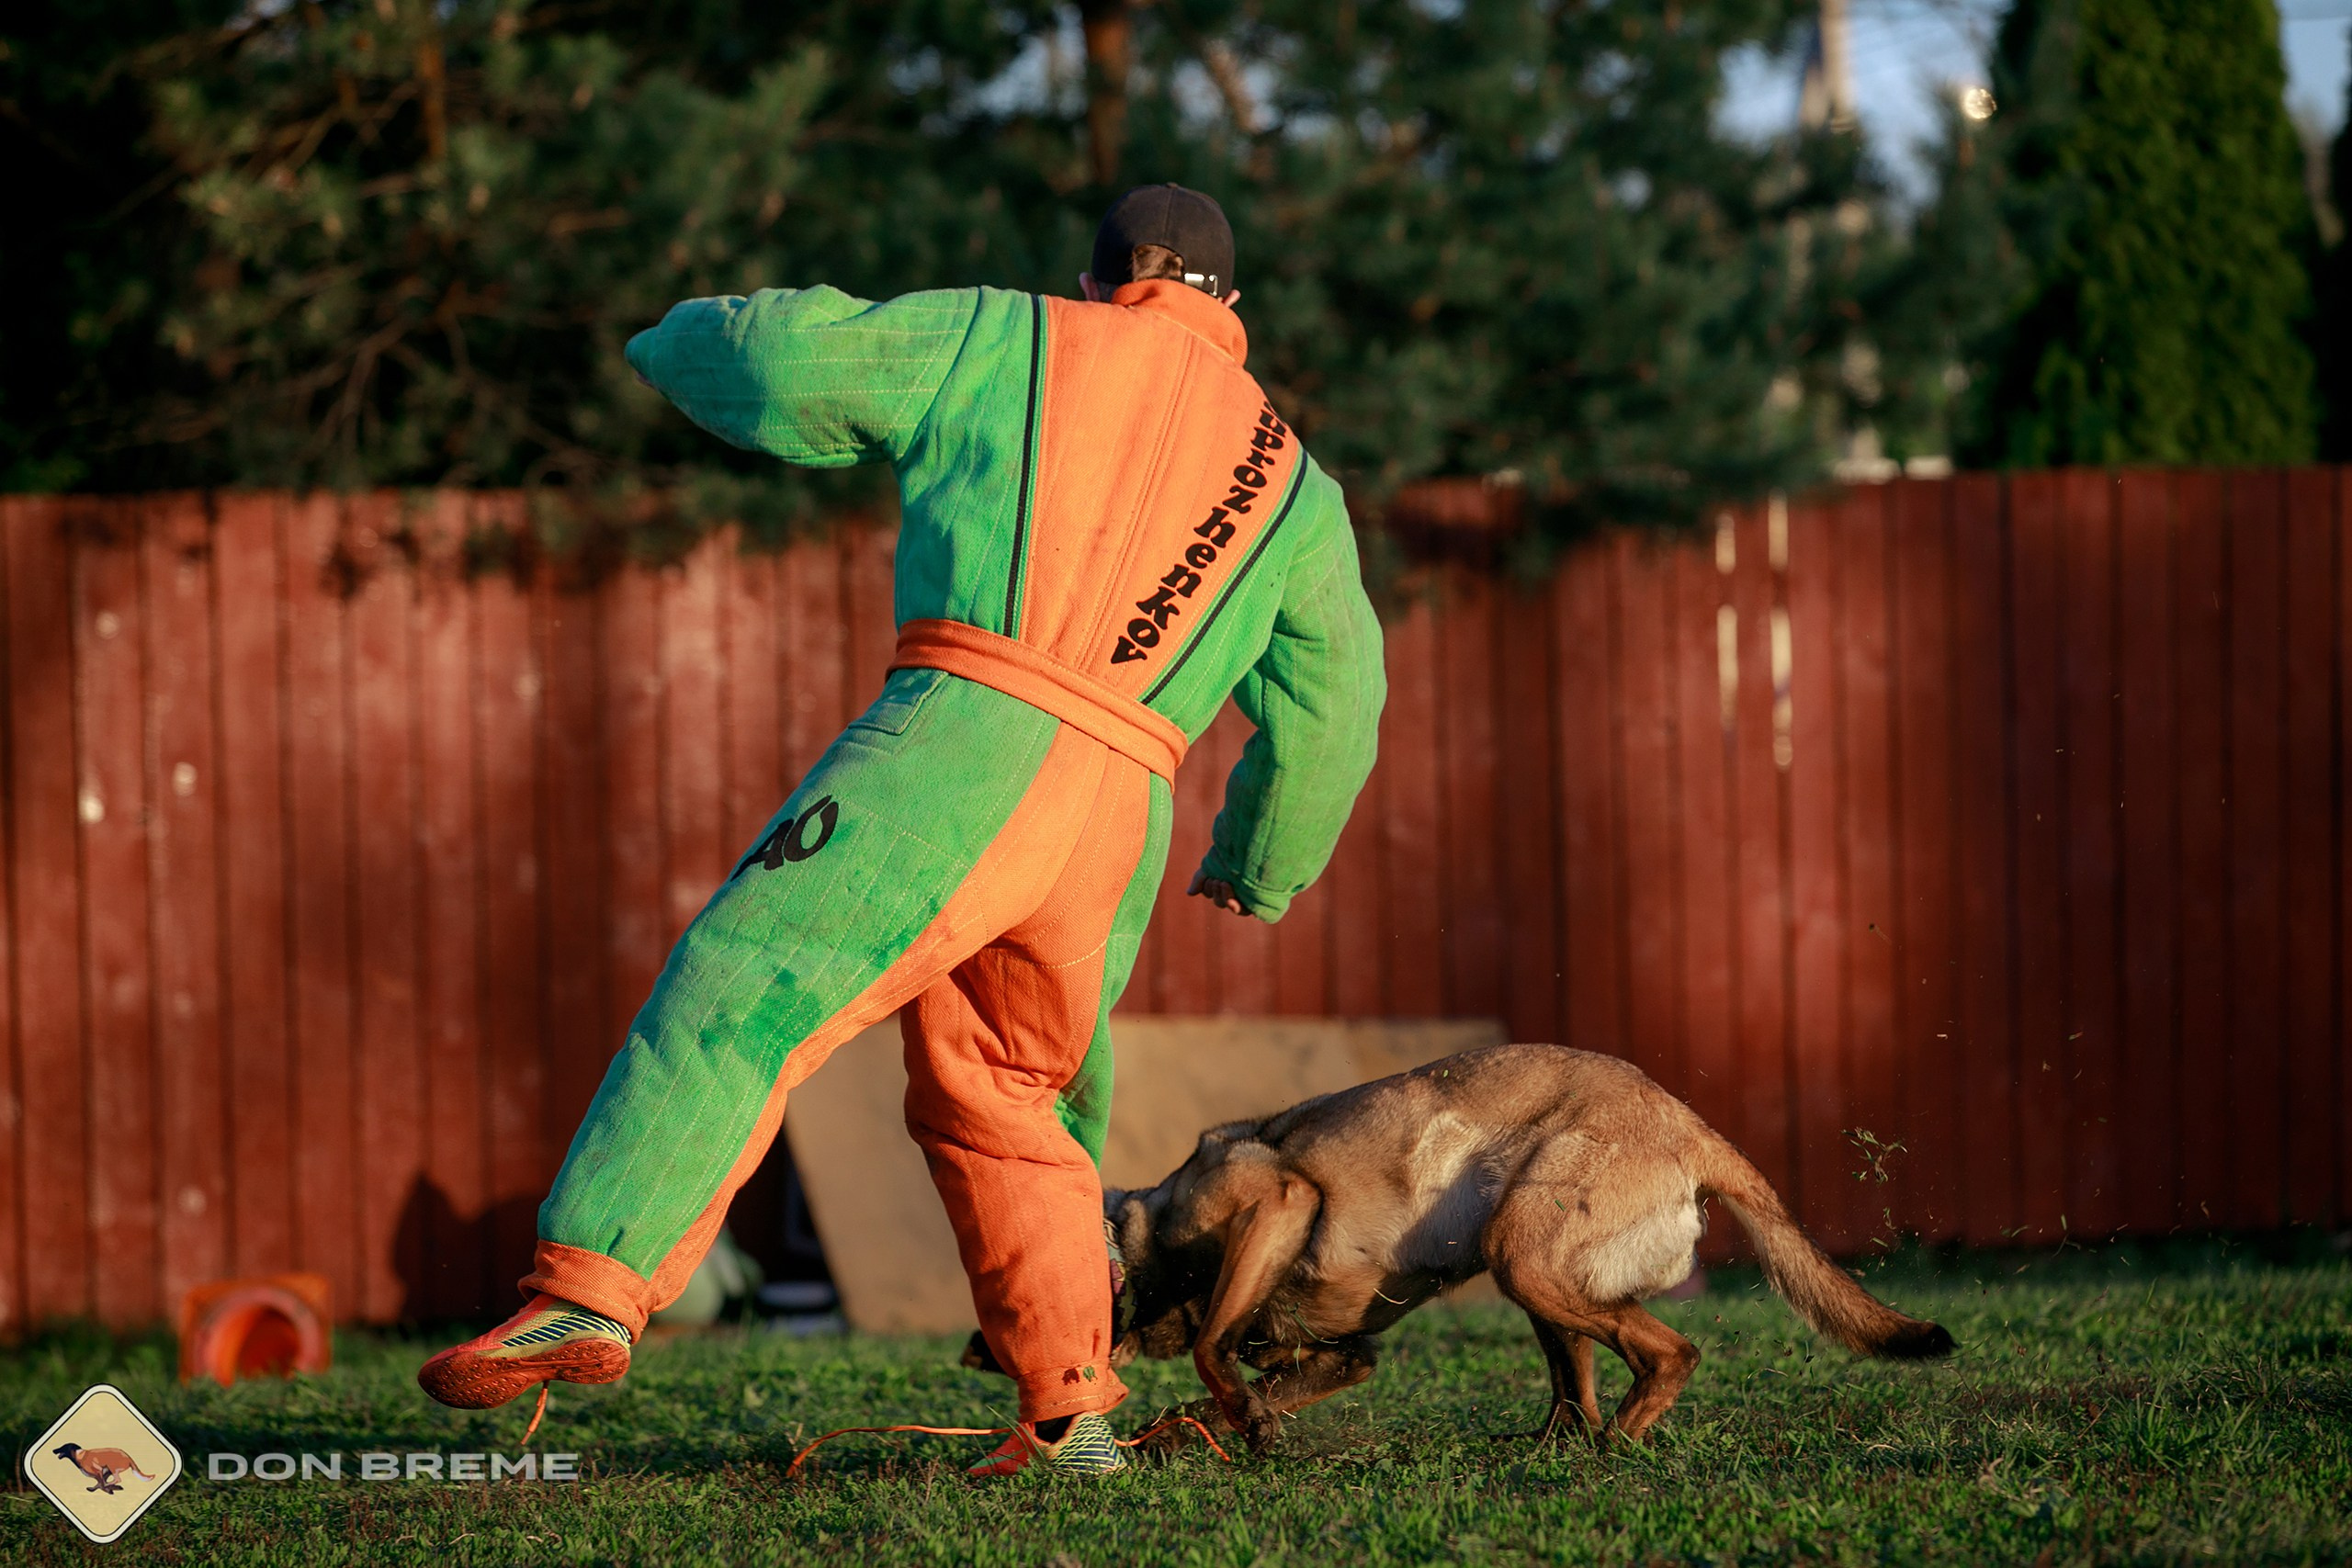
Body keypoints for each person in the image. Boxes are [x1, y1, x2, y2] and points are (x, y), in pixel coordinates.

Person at [419, 184, 1386, 1475]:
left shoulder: (1014, 335)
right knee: (1014, 1098)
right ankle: (1070, 1406)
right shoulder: (1296, 489)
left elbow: (779, 359)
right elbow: (1339, 705)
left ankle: (596, 1277)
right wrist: (1260, 862)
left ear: (1101, 280)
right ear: (1234, 310)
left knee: (747, 984)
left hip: (963, 740)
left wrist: (663, 341)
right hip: (1119, 820)